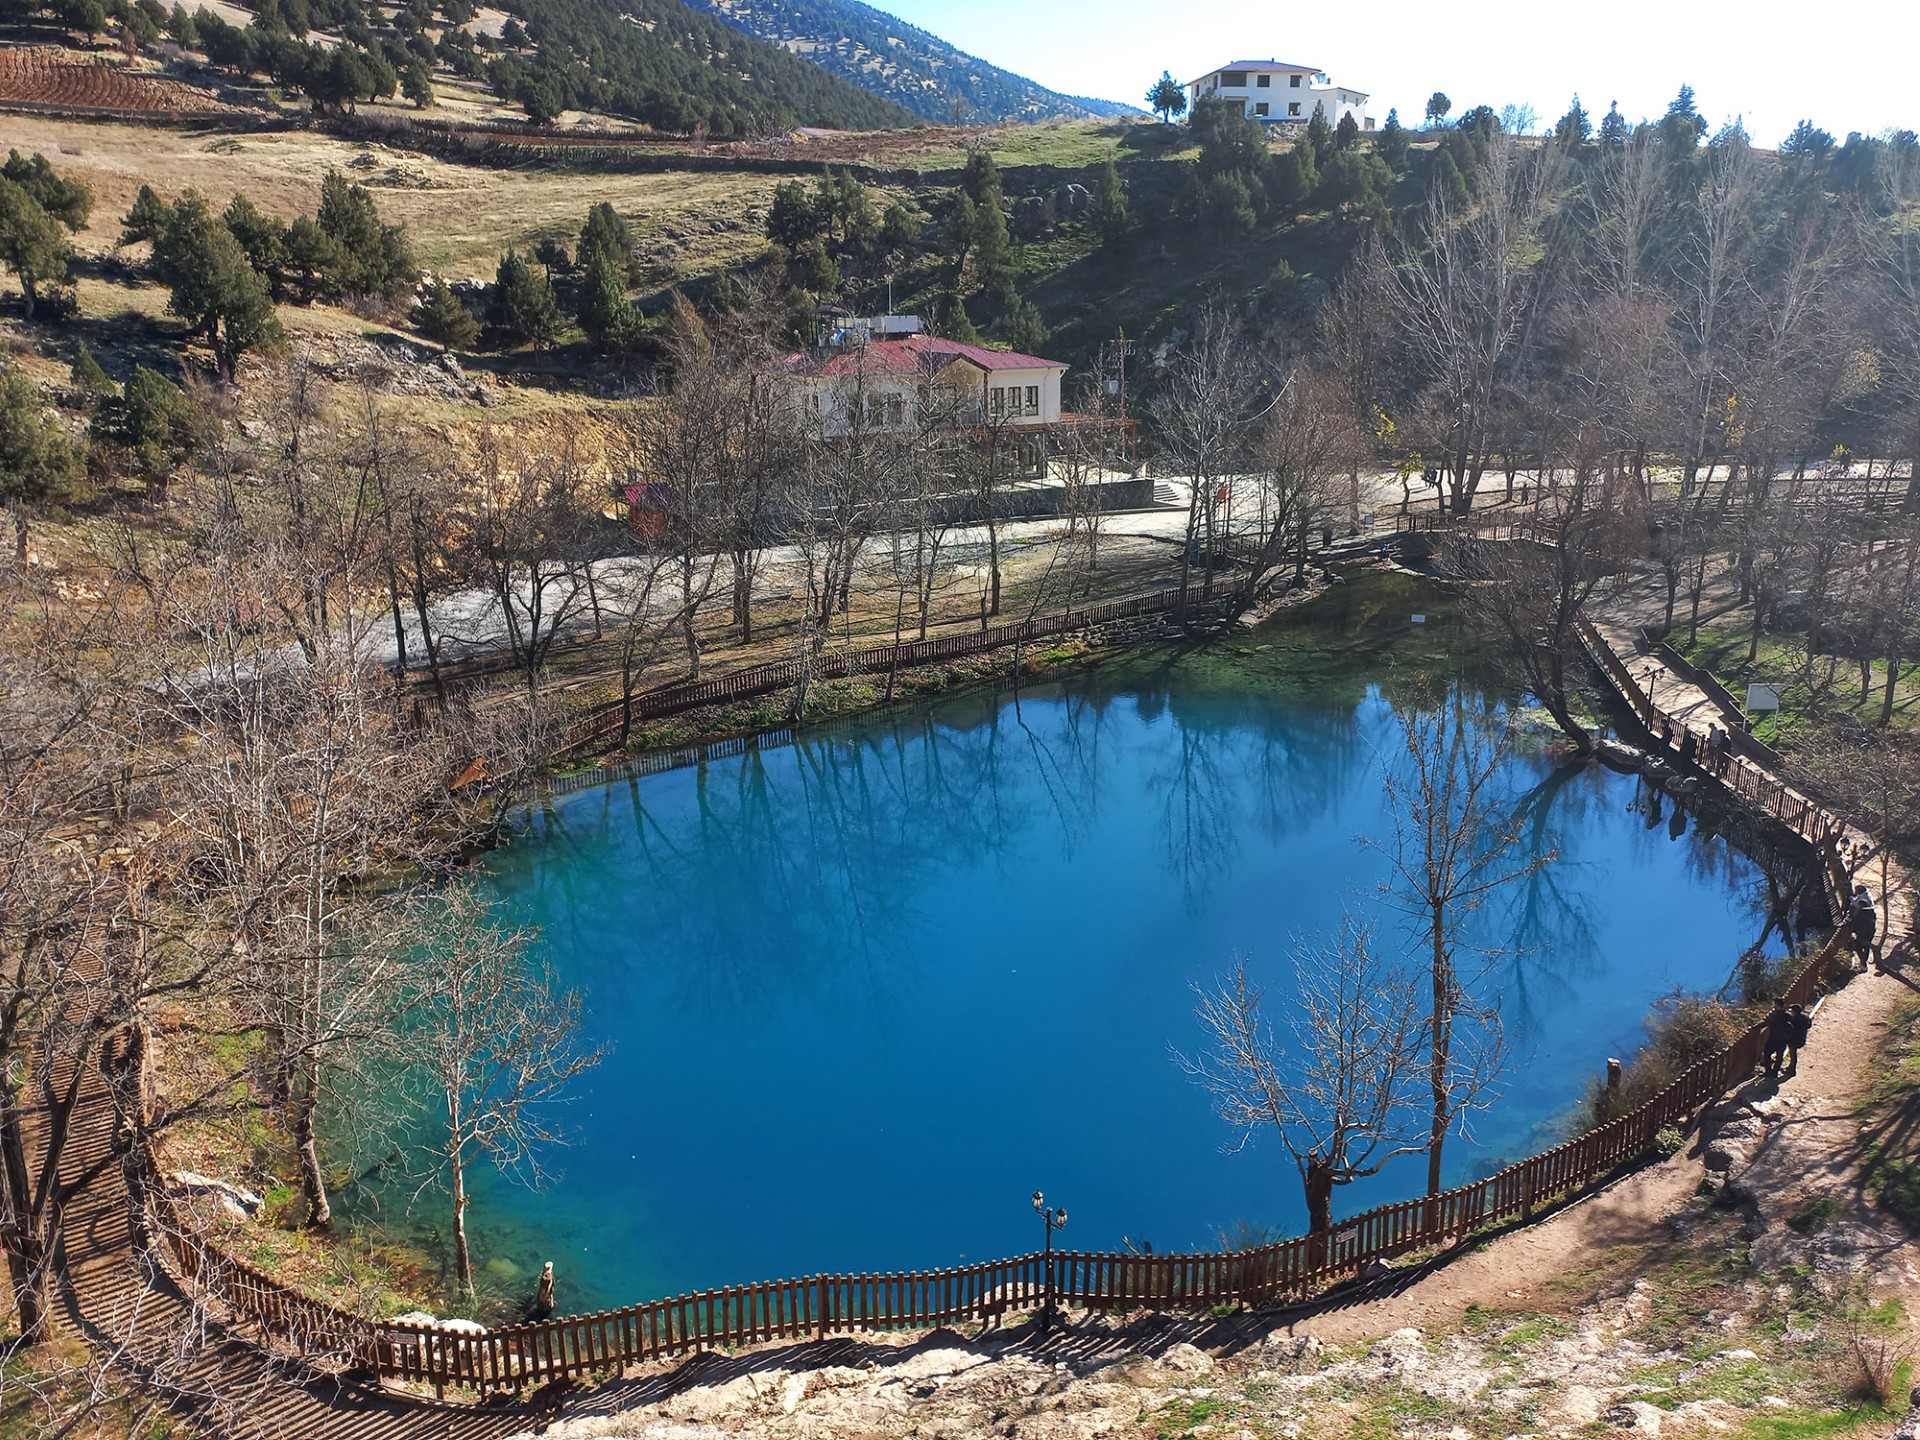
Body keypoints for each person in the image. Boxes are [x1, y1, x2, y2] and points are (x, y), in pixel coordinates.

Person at [1849, 884, 1881, 971]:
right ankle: (1863, 964)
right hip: (1869, 924)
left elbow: (1860, 906)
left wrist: (1852, 901)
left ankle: (1863, 963)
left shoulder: (1864, 899)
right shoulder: (1866, 894)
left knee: (1859, 945)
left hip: (1865, 926)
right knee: (1865, 946)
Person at [1762, 996, 1793, 1079]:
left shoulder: (1776, 1015)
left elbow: (1767, 1023)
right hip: (1784, 1039)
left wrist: (1757, 1026)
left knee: (1767, 1054)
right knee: (1779, 1056)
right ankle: (1775, 1072)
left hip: (1773, 1038)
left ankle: (1768, 1071)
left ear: (1775, 1004)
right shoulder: (1788, 1015)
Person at [1785, 1003, 1812, 1075]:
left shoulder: (1794, 1018)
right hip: (1802, 1038)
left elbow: (1790, 1027)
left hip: (1794, 1038)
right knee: (1793, 1054)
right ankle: (1791, 1067)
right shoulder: (1806, 1017)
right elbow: (1809, 1025)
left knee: (1793, 1054)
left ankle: (1792, 1070)